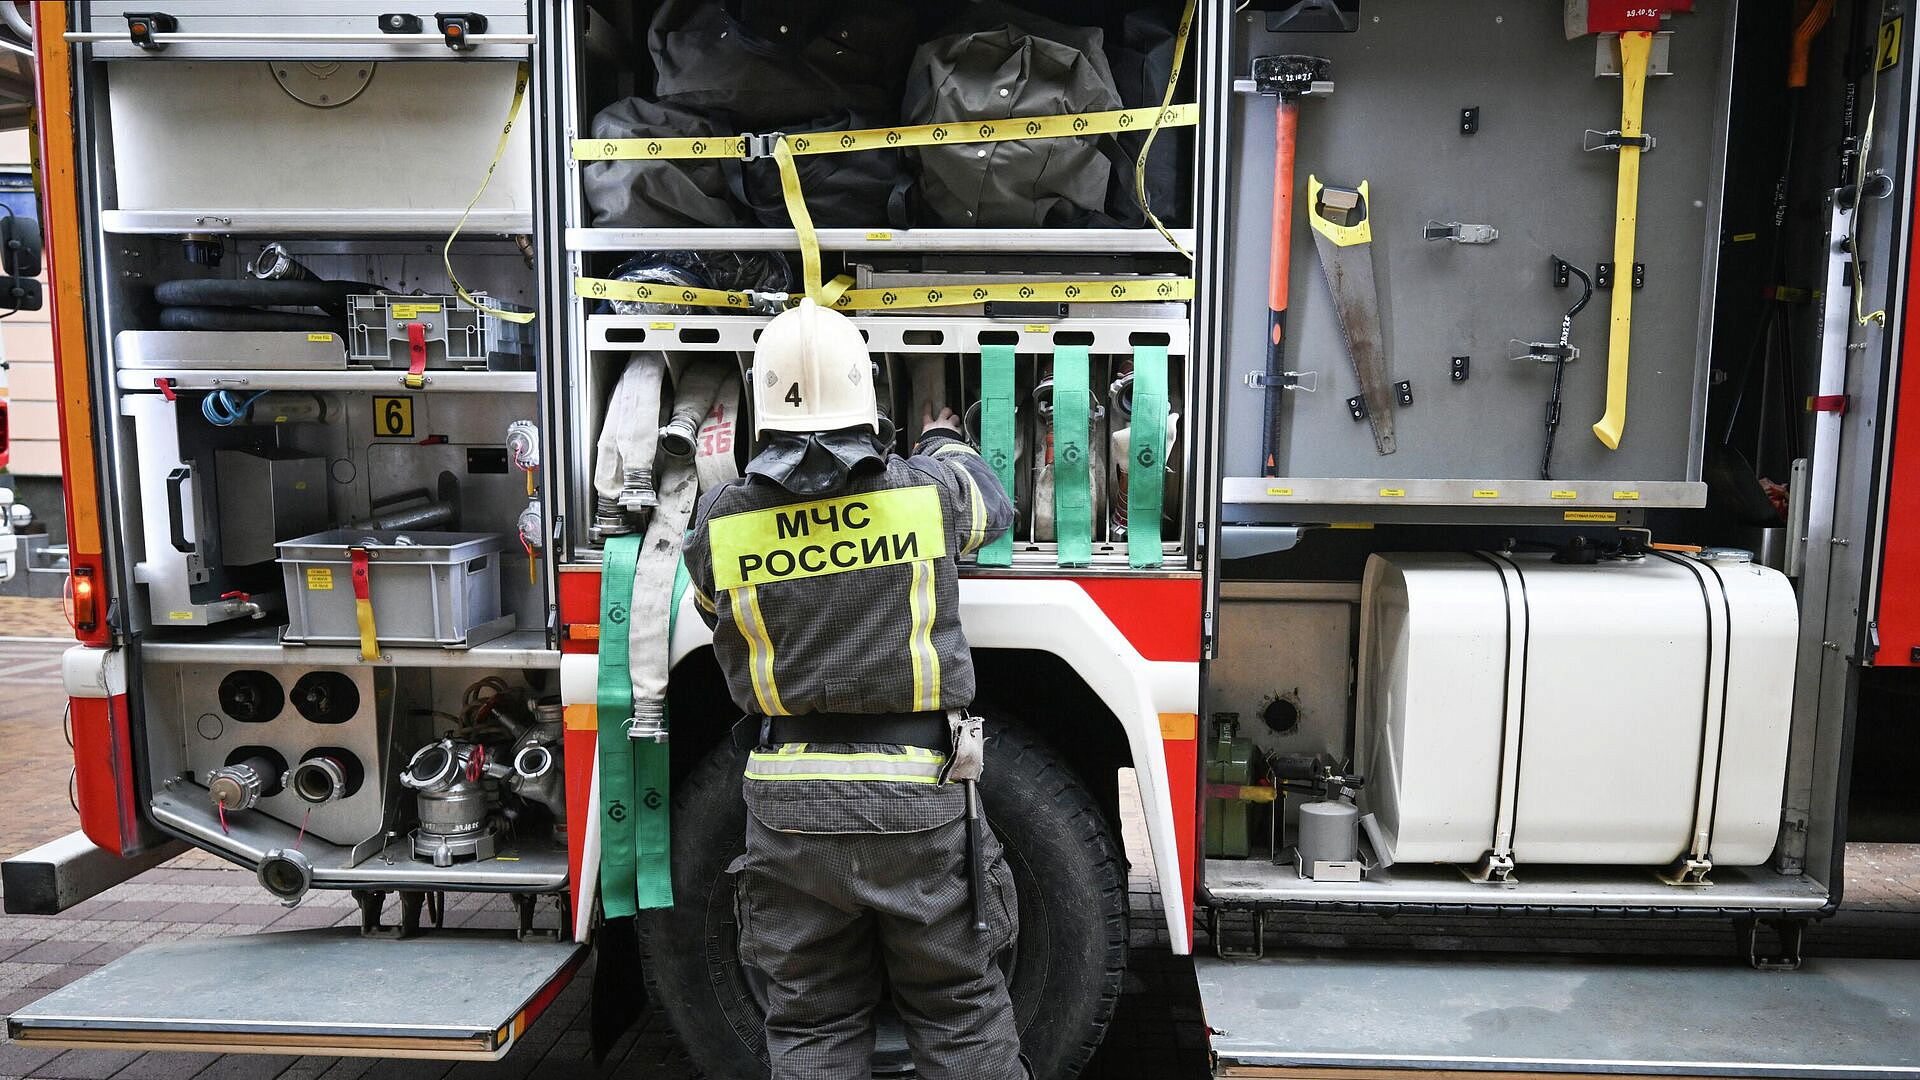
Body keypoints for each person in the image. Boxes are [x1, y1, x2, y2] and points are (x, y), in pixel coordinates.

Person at [683, 298, 1022, 1079]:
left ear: (760, 401)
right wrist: (942, 438)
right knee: (959, 1011)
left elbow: (714, 613)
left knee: (808, 1021)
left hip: (787, 813)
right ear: (867, 401)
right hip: (917, 804)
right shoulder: (924, 495)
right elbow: (988, 501)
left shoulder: (722, 524)